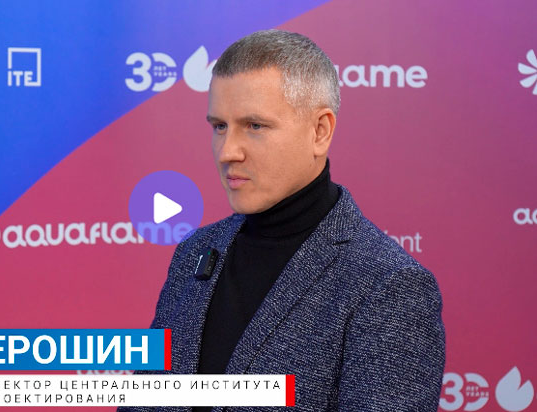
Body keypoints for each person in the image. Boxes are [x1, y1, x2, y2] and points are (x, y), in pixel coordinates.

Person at [121, 30, 445, 411]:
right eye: (219, 126)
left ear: (320, 131)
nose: (227, 152)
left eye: (254, 126)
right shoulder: (195, 253)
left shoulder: (388, 285)